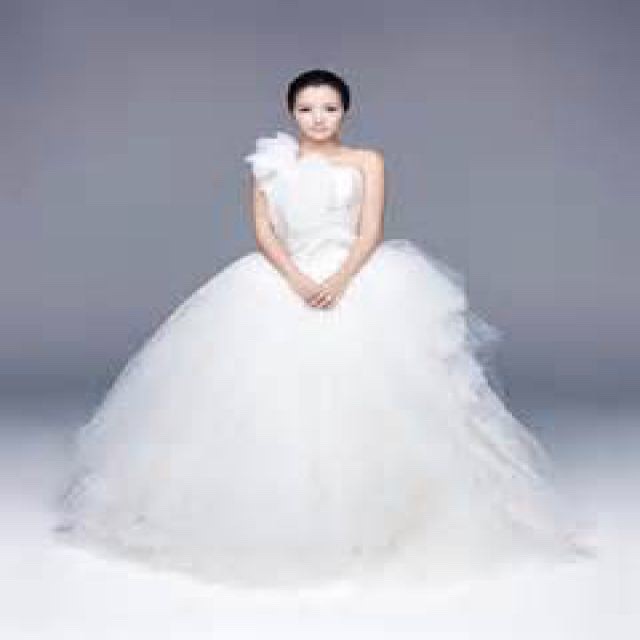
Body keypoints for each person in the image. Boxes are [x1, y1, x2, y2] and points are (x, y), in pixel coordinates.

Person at [54, 68, 595, 591]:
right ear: (292, 112)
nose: (318, 117)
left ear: (345, 112)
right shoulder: (270, 164)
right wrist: (294, 277)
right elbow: (264, 229)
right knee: (259, 398)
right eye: (307, 108)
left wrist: (339, 279)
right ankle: (272, 524)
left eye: (329, 108)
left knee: (384, 392)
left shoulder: (367, 161)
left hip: (356, 273)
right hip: (281, 277)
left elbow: (371, 228)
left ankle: (381, 521)